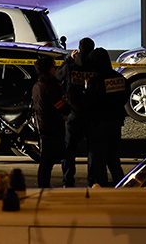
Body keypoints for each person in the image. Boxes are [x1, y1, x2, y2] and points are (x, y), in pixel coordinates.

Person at [54, 37, 96, 187]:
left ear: (78, 49)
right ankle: (93, 181)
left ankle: (67, 181)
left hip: (73, 113)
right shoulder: (95, 67)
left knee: (69, 150)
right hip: (92, 115)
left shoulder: (71, 67)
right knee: (92, 150)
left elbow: (57, 76)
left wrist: (68, 60)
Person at [86, 47, 129, 186]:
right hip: (116, 122)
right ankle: (120, 184)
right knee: (114, 159)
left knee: (99, 160)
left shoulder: (96, 81)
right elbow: (124, 97)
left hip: (99, 124)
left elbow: (90, 103)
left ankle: (101, 187)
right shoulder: (120, 79)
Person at [32, 55, 70, 188]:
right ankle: (44, 186)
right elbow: (59, 105)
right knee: (47, 160)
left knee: (46, 160)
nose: (55, 68)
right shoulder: (50, 86)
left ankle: (43, 185)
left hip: (42, 123)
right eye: (53, 66)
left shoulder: (38, 85)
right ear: (48, 69)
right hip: (51, 125)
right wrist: (67, 107)